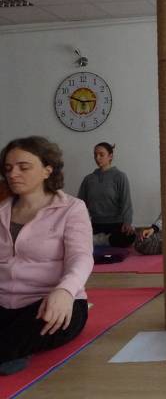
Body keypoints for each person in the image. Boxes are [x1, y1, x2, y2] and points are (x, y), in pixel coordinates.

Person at [0, 136, 93, 375]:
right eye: (8, 168)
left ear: (47, 170)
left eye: (23, 167)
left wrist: (65, 291)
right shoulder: (1, 210)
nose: (13, 174)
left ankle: (10, 351)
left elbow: (81, 257)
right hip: (4, 302)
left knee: (17, 336)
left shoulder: (72, 208)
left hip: (50, 302)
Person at [77, 142, 136, 247]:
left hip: (116, 225)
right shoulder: (88, 179)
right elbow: (80, 204)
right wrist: (79, 224)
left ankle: (100, 240)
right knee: (75, 237)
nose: (97, 158)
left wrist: (127, 222)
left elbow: (126, 202)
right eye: (95, 155)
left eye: (101, 154)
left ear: (110, 156)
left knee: (130, 236)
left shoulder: (120, 177)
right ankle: (103, 240)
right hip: (95, 224)